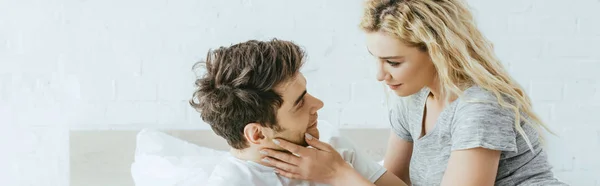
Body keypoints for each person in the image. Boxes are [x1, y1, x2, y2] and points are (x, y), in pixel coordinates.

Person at [261, 0, 568, 185]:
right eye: (376, 58)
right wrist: (335, 169)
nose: (380, 75)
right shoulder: (414, 100)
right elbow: (391, 183)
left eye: (393, 62)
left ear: (439, 52)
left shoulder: (479, 108)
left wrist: (338, 173)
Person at [189, 39, 407, 186]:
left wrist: (340, 173)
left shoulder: (327, 141)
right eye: (300, 103)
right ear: (257, 134)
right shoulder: (232, 181)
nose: (319, 104)